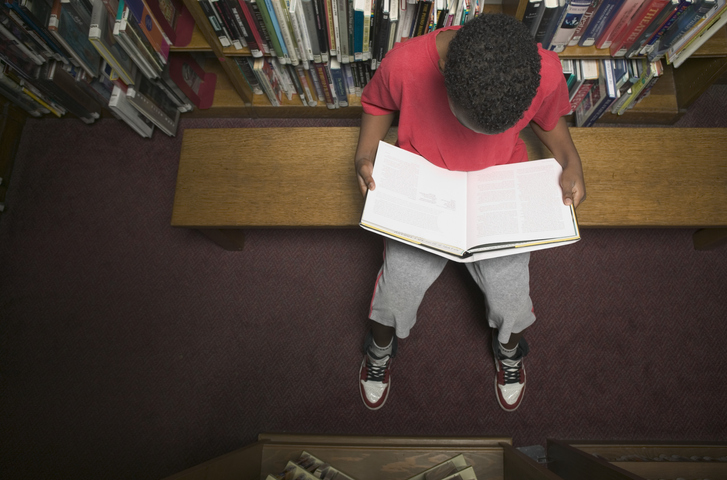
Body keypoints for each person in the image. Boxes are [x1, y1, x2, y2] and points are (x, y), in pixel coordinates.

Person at [354, 13, 586, 412]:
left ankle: (509, 348)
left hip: (497, 190)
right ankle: (380, 346)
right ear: (445, 75)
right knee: (394, 295)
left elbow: (550, 120)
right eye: (473, 124)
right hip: (423, 186)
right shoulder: (406, 62)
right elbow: (377, 103)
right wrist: (364, 153)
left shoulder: (542, 68)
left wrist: (571, 160)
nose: (480, 136)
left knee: (512, 301)